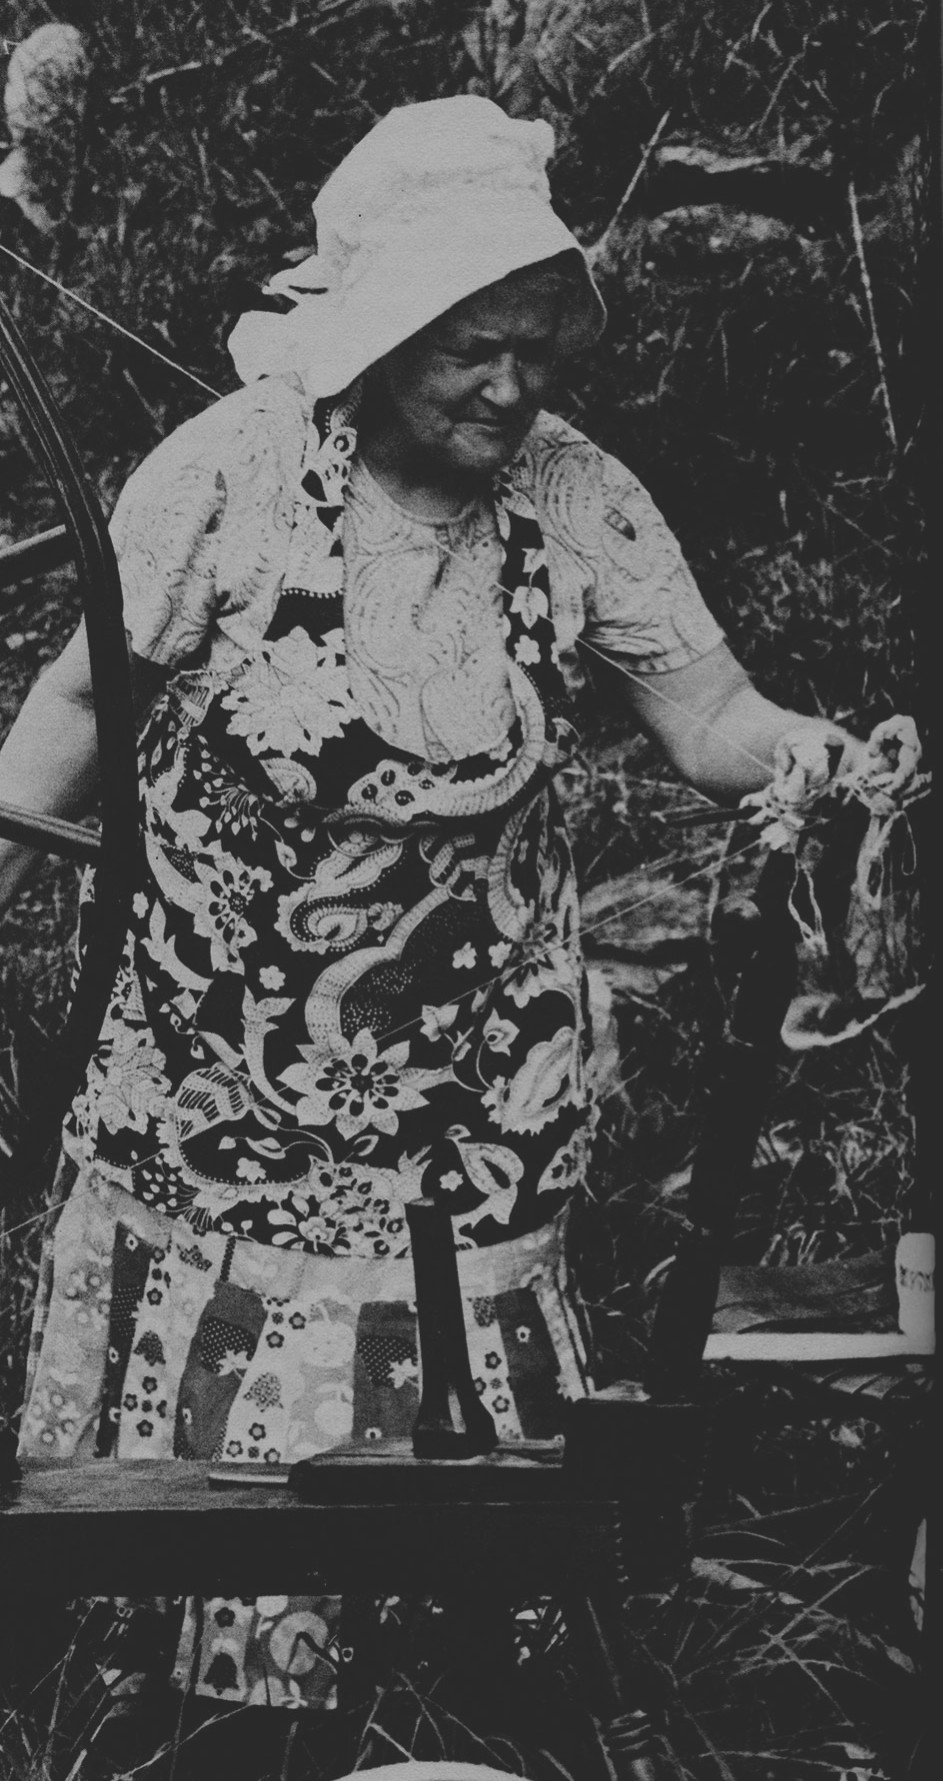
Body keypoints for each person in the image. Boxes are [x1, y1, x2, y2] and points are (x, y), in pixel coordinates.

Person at [0, 94, 903, 1750]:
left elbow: (710, 714)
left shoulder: (575, 497)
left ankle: (435, 1720)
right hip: (219, 1097)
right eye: (470, 347)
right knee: (206, 1553)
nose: (509, 385)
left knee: (459, 1560)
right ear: (382, 332)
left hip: (472, 1107)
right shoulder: (231, 477)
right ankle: (203, 1741)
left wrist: (811, 755)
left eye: (534, 348)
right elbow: (74, 710)